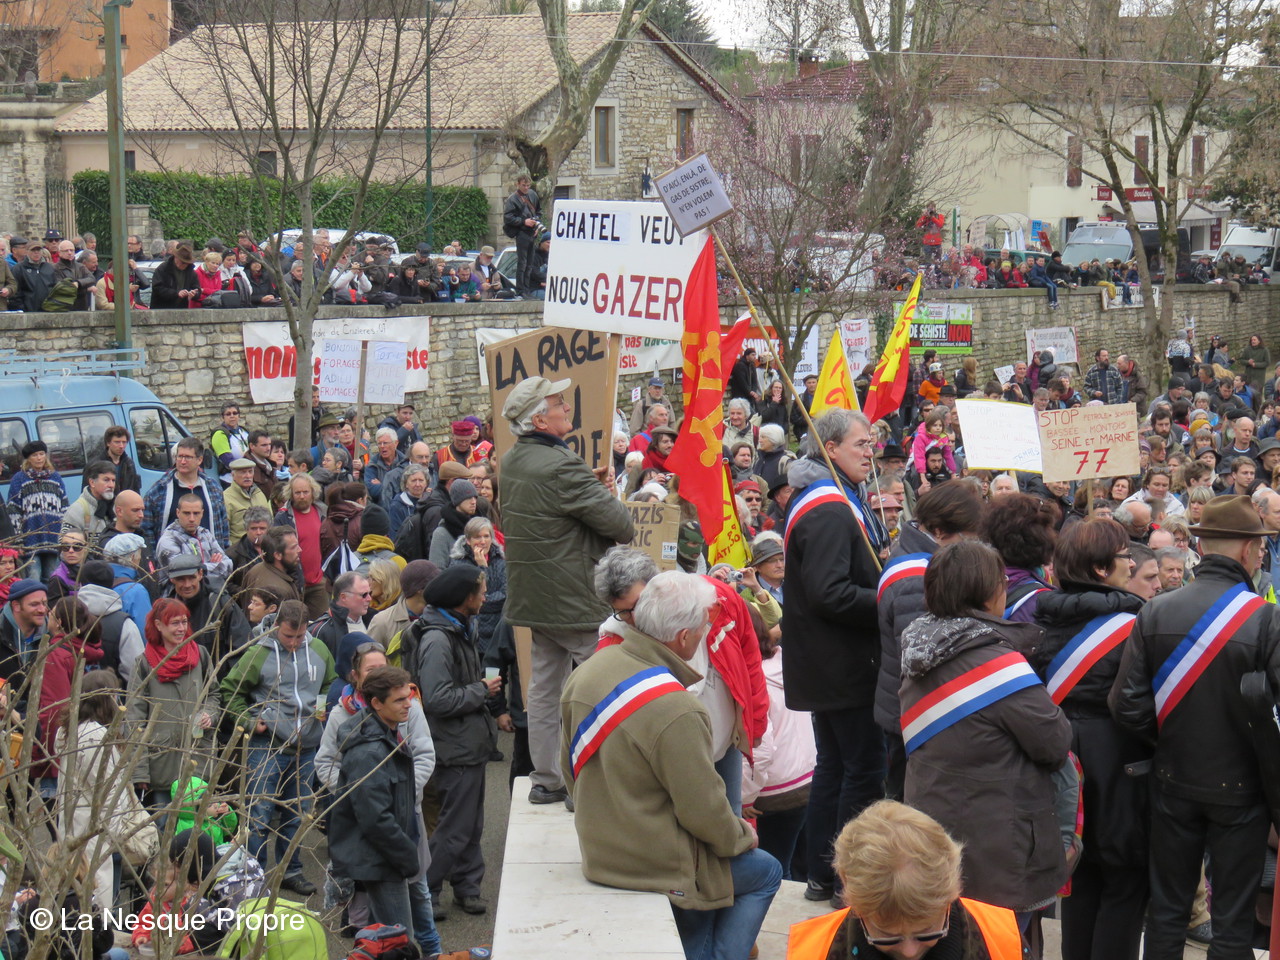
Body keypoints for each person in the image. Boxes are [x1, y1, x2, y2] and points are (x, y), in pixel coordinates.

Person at [561, 570, 782, 959]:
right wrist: (742, 837)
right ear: (683, 637)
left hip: (600, 852)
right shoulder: (678, 708)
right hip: (660, 864)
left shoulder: (587, 673)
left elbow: (569, 772)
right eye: (702, 627)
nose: (704, 633)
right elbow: (703, 812)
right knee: (766, 871)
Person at [1109, 495, 1280, 960]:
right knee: (1232, 921)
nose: (1261, 555)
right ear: (1248, 549)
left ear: (1201, 547)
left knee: (1167, 912)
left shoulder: (1155, 611)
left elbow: (1125, 705)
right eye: (1259, 547)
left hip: (1172, 780)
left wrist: (1170, 741)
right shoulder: (1266, 619)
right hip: (1243, 790)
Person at [900, 540, 1071, 922]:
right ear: (988, 592)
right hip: (997, 845)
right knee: (997, 941)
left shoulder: (920, 645)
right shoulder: (994, 662)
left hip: (932, 829)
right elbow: (1055, 742)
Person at [499, 377, 634, 806]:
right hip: (575, 599)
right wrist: (601, 493)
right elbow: (622, 526)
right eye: (559, 402)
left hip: (535, 599)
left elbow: (547, 508)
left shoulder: (512, 460)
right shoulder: (562, 465)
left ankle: (547, 779)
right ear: (540, 419)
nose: (567, 407)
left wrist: (586, 487)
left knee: (543, 689)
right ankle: (585, 783)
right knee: (600, 689)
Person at [1030, 519, 1150, 960]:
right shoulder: (1135, 625)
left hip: (1060, 760)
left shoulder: (1040, 619)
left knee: (1077, 879)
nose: (1132, 563)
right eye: (1124, 556)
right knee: (1125, 883)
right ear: (1101, 568)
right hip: (1119, 765)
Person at [781, 409, 885, 902]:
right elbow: (831, 593)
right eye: (861, 444)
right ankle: (848, 877)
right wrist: (889, 596)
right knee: (860, 770)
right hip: (844, 665)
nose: (871, 452)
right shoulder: (827, 508)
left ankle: (824, 874)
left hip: (832, 663)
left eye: (872, 443)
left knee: (837, 768)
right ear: (830, 449)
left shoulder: (830, 498)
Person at [786, 800, 1024, 960]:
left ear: (951, 894)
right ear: (854, 901)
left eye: (927, 932)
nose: (909, 952)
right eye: (886, 935)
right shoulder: (813, 951)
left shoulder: (1002, 939)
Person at [876, 482, 987, 801]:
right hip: (917, 716)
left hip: (911, 712)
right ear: (939, 532)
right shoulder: (917, 579)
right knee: (912, 808)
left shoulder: (918, 556)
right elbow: (922, 657)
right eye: (966, 538)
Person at [221, 599, 336, 894]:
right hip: (267, 745)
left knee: (297, 815)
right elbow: (230, 690)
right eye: (288, 636)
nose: (294, 643)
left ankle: (290, 870)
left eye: (299, 636)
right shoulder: (258, 653)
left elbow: (329, 682)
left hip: (307, 747)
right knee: (258, 815)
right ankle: (253, 877)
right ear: (276, 627)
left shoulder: (319, 649)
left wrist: (322, 706)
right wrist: (249, 721)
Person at [407, 566, 499, 919]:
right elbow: (438, 698)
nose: (485, 597)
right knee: (455, 827)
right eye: (480, 591)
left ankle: (467, 888)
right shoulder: (438, 639)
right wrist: (481, 690)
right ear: (464, 599)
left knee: (470, 825)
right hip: (453, 746)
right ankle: (426, 891)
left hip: (467, 744)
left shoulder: (459, 627)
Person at [327, 666, 422, 932]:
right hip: (381, 861)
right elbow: (375, 818)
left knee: (379, 940)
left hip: (385, 857)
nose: (409, 705)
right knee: (398, 940)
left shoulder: (386, 733)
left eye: (408, 697)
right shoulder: (369, 752)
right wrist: (406, 855)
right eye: (399, 700)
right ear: (377, 703)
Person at [126, 598, 219, 809]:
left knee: (197, 824)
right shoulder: (144, 663)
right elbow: (134, 720)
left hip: (197, 760)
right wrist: (140, 772)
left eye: (184, 622)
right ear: (158, 625)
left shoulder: (200, 656)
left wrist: (209, 715)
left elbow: (214, 695)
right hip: (161, 766)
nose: (181, 629)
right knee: (163, 824)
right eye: (175, 623)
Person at [141, 437, 230, 548]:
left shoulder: (213, 488)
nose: (182, 461)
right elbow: (146, 528)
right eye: (180, 456)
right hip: (172, 556)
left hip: (208, 556)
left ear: (199, 460)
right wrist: (155, 554)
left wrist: (223, 553)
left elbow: (224, 526)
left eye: (188, 457)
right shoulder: (159, 489)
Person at [7, 441, 68, 581]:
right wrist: (18, 541)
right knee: (33, 578)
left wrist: (65, 535)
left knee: (53, 578)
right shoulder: (19, 479)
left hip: (53, 538)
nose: (39, 458)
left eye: (41, 454)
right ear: (28, 459)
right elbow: (13, 512)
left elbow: (65, 507)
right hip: (30, 540)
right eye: (35, 455)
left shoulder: (55, 477)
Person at [155, 494, 232, 592]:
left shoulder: (205, 534)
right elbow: (184, 574)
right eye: (186, 513)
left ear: (202, 513)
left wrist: (201, 568)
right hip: (178, 596)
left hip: (211, 594)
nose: (191, 518)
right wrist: (212, 565)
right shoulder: (168, 540)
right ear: (178, 513)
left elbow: (228, 565)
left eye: (196, 513)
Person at [503, 174, 542, 296]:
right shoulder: (512, 199)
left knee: (529, 264)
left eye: (528, 185)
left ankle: (527, 288)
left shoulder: (533, 195)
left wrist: (536, 225)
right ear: (518, 184)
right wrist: (523, 221)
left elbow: (539, 212)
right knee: (522, 263)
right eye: (524, 185)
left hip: (532, 232)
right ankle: (521, 290)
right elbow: (508, 217)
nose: (526, 188)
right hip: (521, 232)